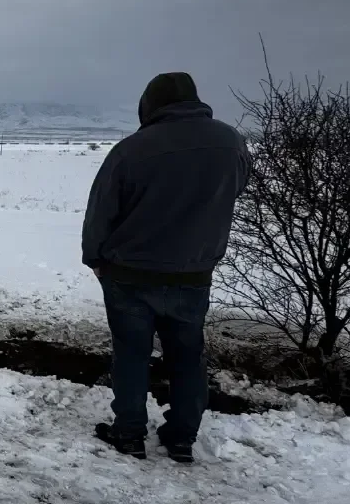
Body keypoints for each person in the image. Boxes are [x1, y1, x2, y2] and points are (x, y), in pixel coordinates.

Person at [81, 72, 250, 463]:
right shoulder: (231, 143)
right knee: (188, 357)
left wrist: (94, 258)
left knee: (131, 354)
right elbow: (234, 189)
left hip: (129, 274)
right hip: (193, 273)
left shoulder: (130, 150)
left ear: (150, 105)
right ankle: (182, 437)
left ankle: (129, 434)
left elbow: (100, 212)